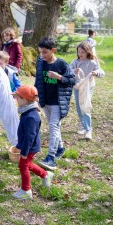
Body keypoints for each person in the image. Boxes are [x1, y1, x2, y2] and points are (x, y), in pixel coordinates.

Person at [34, 37, 75, 171]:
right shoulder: (41, 62)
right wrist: (36, 97)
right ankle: (60, 148)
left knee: (53, 127)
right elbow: (38, 80)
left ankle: (51, 157)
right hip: (45, 101)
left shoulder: (62, 64)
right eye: (40, 52)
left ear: (53, 50)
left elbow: (72, 80)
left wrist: (58, 77)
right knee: (55, 126)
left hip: (58, 102)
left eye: (45, 52)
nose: (42, 55)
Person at [11, 85, 54, 200]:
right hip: (29, 146)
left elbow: (30, 136)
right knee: (28, 165)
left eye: (17, 98)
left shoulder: (31, 117)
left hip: (30, 148)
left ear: (24, 100)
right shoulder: (27, 112)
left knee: (23, 166)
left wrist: (24, 151)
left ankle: (26, 190)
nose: (16, 100)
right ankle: (46, 175)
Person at [70, 41, 105, 140]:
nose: (80, 54)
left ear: (88, 52)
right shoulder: (75, 62)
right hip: (77, 87)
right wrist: (74, 71)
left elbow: (102, 72)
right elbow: (67, 71)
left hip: (88, 88)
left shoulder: (92, 62)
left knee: (85, 106)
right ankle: (84, 126)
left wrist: (96, 73)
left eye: (83, 52)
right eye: (79, 52)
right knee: (79, 108)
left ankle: (89, 130)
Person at [0, 51, 22, 139]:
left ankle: (14, 130)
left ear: (6, 63)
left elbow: (18, 85)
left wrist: (15, 94)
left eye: (1, 64)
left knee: (10, 114)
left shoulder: (10, 73)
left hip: (8, 96)